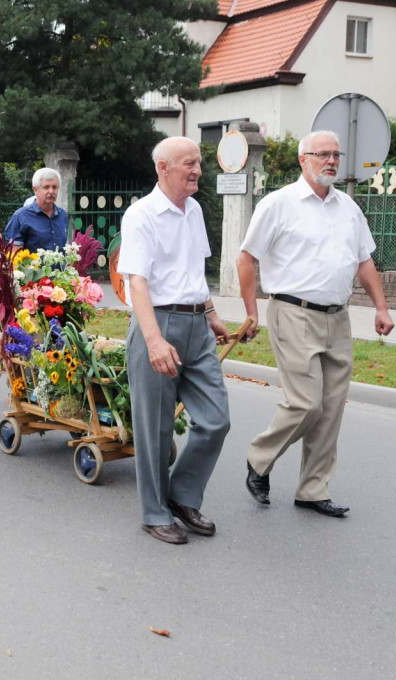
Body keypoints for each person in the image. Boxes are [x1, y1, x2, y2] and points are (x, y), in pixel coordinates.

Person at [237, 130, 396, 518]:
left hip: (337, 316)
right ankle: (259, 459)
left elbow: (364, 262)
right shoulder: (278, 204)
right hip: (293, 312)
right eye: (322, 154)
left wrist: (382, 307)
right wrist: (252, 311)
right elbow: (246, 259)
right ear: (302, 159)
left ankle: (313, 488)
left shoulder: (348, 208)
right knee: (306, 403)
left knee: (330, 408)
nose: (331, 161)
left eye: (336, 155)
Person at [117, 137, 232, 545]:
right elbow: (137, 282)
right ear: (163, 167)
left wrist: (213, 315)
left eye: (199, 163)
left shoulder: (195, 210)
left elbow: (194, 270)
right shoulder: (141, 215)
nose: (198, 170)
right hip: (158, 324)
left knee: (216, 420)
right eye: (190, 163)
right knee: (156, 429)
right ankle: (154, 513)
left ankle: (181, 496)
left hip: (197, 325)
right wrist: (153, 341)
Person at [4, 167, 69, 253]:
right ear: (35, 189)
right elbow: (14, 256)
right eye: (46, 187)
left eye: (54, 187)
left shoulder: (62, 215)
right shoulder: (21, 217)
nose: (51, 191)